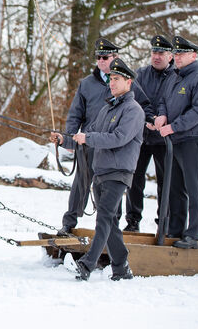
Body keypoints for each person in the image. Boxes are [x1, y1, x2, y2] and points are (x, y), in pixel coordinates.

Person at [51, 58, 145, 281]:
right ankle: (121, 267)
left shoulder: (133, 110)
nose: (112, 83)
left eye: (117, 79)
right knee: (110, 223)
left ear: (128, 82)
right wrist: (64, 140)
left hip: (119, 172)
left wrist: (89, 137)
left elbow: (118, 138)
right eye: (111, 79)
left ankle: (87, 264)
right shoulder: (106, 109)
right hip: (101, 172)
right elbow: (85, 138)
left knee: (103, 218)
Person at [57, 38, 153, 237]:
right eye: (98, 57)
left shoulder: (126, 82)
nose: (101, 61)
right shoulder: (87, 84)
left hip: (114, 147)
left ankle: (111, 228)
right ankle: (69, 223)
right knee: (81, 184)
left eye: (105, 57)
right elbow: (75, 114)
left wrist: (149, 122)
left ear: (115, 57)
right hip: (88, 142)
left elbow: (144, 106)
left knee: (110, 189)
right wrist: (69, 140)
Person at [154, 36, 198, 249]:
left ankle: (192, 235)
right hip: (175, 140)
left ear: (193, 56)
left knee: (193, 187)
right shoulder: (174, 77)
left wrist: (173, 126)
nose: (177, 57)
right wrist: (161, 116)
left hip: (193, 140)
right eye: (176, 54)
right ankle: (176, 230)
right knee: (176, 188)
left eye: (181, 54)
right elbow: (163, 101)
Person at [123, 35, 176, 232]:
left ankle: (164, 222)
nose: (157, 56)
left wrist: (161, 121)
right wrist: (146, 120)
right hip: (141, 136)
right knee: (134, 180)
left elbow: (175, 104)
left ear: (170, 56)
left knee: (165, 182)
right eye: (154, 52)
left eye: (161, 53)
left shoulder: (176, 76)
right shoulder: (141, 75)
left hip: (164, 138)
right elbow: (133, 100)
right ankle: (133, 220)